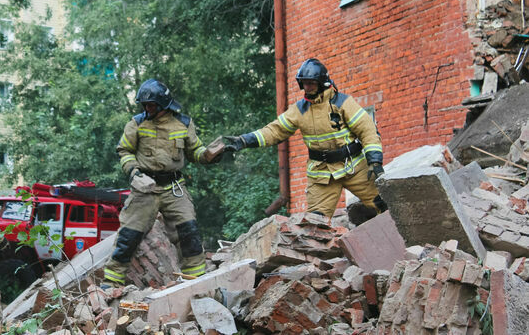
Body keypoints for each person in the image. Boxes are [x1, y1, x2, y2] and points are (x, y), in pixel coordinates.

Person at [225, 58, 386, 219]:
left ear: (322, 82)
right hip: (322, 174)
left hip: (355, 167)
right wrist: (245, 140)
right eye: (304, 83)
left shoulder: (343, 103)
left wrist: (375, 161)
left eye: (311, 83)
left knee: (383, 205)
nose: (307, 87)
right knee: (315, 223)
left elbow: (368, 130)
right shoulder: (299, 110)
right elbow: (274, 130)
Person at [103, 79, 222, 286]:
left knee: (189, 233)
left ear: (163, 104)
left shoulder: (183, 123)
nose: (147, 109)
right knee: (129, 236)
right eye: (145, 105)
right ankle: (111, 282)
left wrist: (209, 155)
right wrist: (133, 172)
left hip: (174, 187)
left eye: (151, 105)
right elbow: (124, 150)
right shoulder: (137, 123)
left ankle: (196, 281)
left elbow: (195, 152)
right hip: (145, 187)